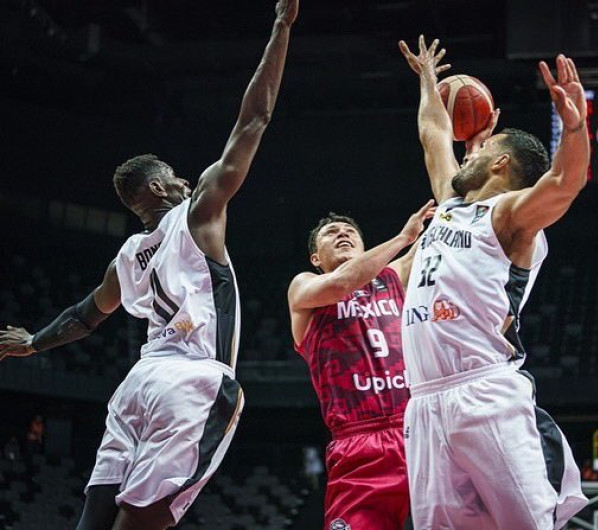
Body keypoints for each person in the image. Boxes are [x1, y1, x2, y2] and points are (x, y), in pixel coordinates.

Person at [0, 1, 298, 528]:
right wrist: (281, 27)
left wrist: (31, 344)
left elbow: (84, 317)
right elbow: (255, 118)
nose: (186, 179)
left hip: (137, 384)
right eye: (175, 175)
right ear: (159, 187)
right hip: (193, 381)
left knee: (96, 516)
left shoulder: (126, 256)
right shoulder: (198, 211)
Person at [398, 35, 590, 529]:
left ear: (500, 163)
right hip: (423, 402)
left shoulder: (510, 216)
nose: (466, 156)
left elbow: (565, 183)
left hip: (484, 393)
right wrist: (428, 82)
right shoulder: (450, 204)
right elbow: (432, 135)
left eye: (480, 153)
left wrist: (575, 126)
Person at [288, 202, 435, 530]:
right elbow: (341, 284)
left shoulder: (393, 276)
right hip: (359, 442)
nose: (342, 233)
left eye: (349, 231)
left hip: (420, 430)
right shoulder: (303, 287)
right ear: (315, 258)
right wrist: (402, 238)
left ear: (365, 247)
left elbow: (438, 235)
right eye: (331, 233)